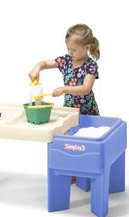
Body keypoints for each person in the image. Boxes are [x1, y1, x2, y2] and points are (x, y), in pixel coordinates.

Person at [29, 24, 100, 183]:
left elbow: (85, 89)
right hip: (69, 112)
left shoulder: (90, 66)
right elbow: (45, 63)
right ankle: (74, 171)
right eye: (68, 48)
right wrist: (37, 68)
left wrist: (64, 89)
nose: (70, 52)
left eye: (74, 49)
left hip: (87, 112)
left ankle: (89, 171)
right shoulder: (67, 60)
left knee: (86, 144)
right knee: (70, 143)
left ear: (87, 47)